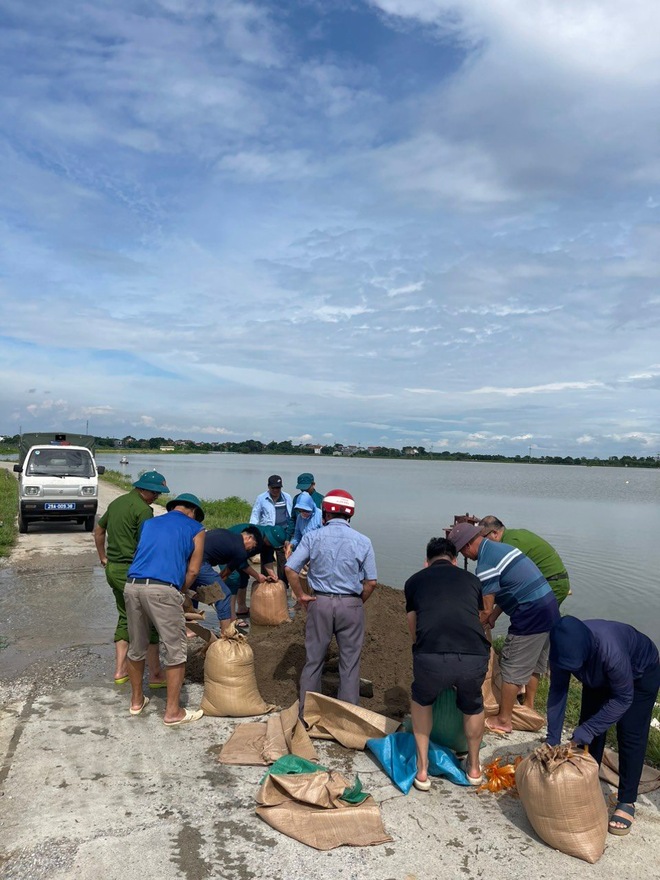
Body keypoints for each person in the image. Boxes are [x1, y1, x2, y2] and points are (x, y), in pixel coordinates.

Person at [547, 616, 660, 836]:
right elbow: (558, 691)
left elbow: (623, 698)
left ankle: (627, 800)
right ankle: (586, 783)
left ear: (586, 650)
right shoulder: (562, 648)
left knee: (630, 733)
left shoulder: (611, 650)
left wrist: (587, 730)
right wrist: (552, 738)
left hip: (639, 675)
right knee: (589, 724)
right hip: (597, 676)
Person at [448, 521, 560, 733]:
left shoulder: (485, 563)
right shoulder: (500, 548)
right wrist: (496, 616)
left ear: (467, 545)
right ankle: (527, 707)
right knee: (535, 661)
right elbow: (510, 587)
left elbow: (486, 606)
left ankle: (504, 720)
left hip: (530, 613)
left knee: (512, 665)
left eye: (463, 551)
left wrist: (476, 623)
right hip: (548, 605)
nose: (465, 556)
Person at [404, 537, 490, 790]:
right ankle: (474, 768)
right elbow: (476, 616)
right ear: (454, 560)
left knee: (421, 700)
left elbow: (413, 623)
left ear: (427, 562)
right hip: (473, 655)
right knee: (473, 705)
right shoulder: (472, 580)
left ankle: (422, 771)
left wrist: (421, 649)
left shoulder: (414, 581)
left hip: (431, 656)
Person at [285, 489, 377, 714]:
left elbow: (290, 569)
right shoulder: (363, 541)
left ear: (324, 514)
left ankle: (308, 713)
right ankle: (346, 717)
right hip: (351, 604)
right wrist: (356, 602)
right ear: (350, 517)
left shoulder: (313, 537)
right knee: (349, 664)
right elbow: (371, 582)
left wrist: (301, 596)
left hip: (320, 601)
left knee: (314, 660)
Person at [124, 493, 206, 726]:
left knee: (136, 646)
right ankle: (173, 712)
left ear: (172, 508)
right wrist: (180, 592)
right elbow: (193, 570)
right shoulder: (196, 528)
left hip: (133, 586)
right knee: (175, 650)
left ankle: (137, 701)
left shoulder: (150, 523)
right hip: (163, 589)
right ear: (192, 511)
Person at [94, 470, 169, 686]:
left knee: (125, 617)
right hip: (132, 572)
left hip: (113, 569)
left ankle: (120, 671)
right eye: (154, 492)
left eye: (159, 493)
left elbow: (99, 531)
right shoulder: (143, 510)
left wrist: (103, 557)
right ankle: (155, 674)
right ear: (142, 488)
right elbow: (145, 546)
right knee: (152, 620)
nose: (157, 496)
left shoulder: (118, 503)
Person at [478, 515, 571, 606]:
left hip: (553, 584)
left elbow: (511, 588)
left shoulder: (509, 545)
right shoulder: (515, 534)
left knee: (536, 618)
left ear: (495, 533)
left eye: (483, 537)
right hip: (552, 581)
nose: (481, 542)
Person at [193, 525, 270, 632]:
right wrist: (213, 591)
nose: (252, 549)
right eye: (254, 546)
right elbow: (224, 575)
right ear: (249, 538)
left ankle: (190, 627)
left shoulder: (225, 532)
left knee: (192, 592)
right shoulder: (241, 551)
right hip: (200, 562)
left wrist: (210, 590)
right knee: (224, 594)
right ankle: (227, 632)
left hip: (188, 556)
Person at [250, 475, 293, 582]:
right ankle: (266, 582)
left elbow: (291, 516)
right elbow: (255, 515)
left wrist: (289, 534)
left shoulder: (287, 497)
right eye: (273, 488)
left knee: (283, 560)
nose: (275, 490)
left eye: (278, 488)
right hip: (267, 535)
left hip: (281, 534)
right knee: (266, 558)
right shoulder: (261, 498)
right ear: (268, 487)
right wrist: (252, 532)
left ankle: (283, 584)